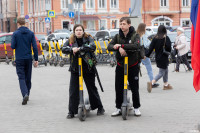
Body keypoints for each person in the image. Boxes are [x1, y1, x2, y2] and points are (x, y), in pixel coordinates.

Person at [62, 24, 105, 119]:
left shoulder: (88, 37)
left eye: (80, 30)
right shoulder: (71, 40)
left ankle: (100, 107)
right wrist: (71, 49)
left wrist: (80, 48)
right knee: (73, 90)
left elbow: (93, 47)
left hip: (88, 67)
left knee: (91, 88)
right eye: (76, 30)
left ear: (83, 30)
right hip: (75, 68)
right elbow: (63, 49)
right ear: (74, 31)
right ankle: (71, 111)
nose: (78, 31)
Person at [107, 17, 141, 116]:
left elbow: (136, 46)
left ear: (129, 25)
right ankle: (118, 107)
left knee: (134, 87)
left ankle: (136, 107)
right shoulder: (117, 36)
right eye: (121, 24)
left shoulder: (135, 35)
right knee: (118, 87)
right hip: (120, 65)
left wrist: (121, 46)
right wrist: (118, 48)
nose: (122, 26)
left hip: (133, 65)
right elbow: (109, 46)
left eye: (124, 24)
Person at [11, 17, 38, 105]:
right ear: (25, 23)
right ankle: (28, 94)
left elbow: (12, 46)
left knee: (21, 77)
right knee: (28, 77)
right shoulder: (31, 33)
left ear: (18, 24)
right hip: (28, 58)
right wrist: (36, 59)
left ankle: (25, 94)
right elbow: (34, 47)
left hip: (19, 58)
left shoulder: (15, 33)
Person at [146, 25, 172, 93]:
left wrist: (147, 55)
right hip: (164, 57)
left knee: (166, 70)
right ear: (165, 30)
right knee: (161, 72)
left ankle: (166, 85)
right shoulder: (166, 38)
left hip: (158, 57)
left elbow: (151, 48)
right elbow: (169, 48)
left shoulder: (155, 38)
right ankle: (152, 83)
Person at [136, 23, 159, 88]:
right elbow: (146, 45)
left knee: (135, 69)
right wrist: (151, 41)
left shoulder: (136, 34)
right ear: (143, 28)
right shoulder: (145, 35)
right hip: (144, 54)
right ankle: (152, 82)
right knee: (149, 69)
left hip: (137, 54)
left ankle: (130, 84)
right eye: (145, 27)